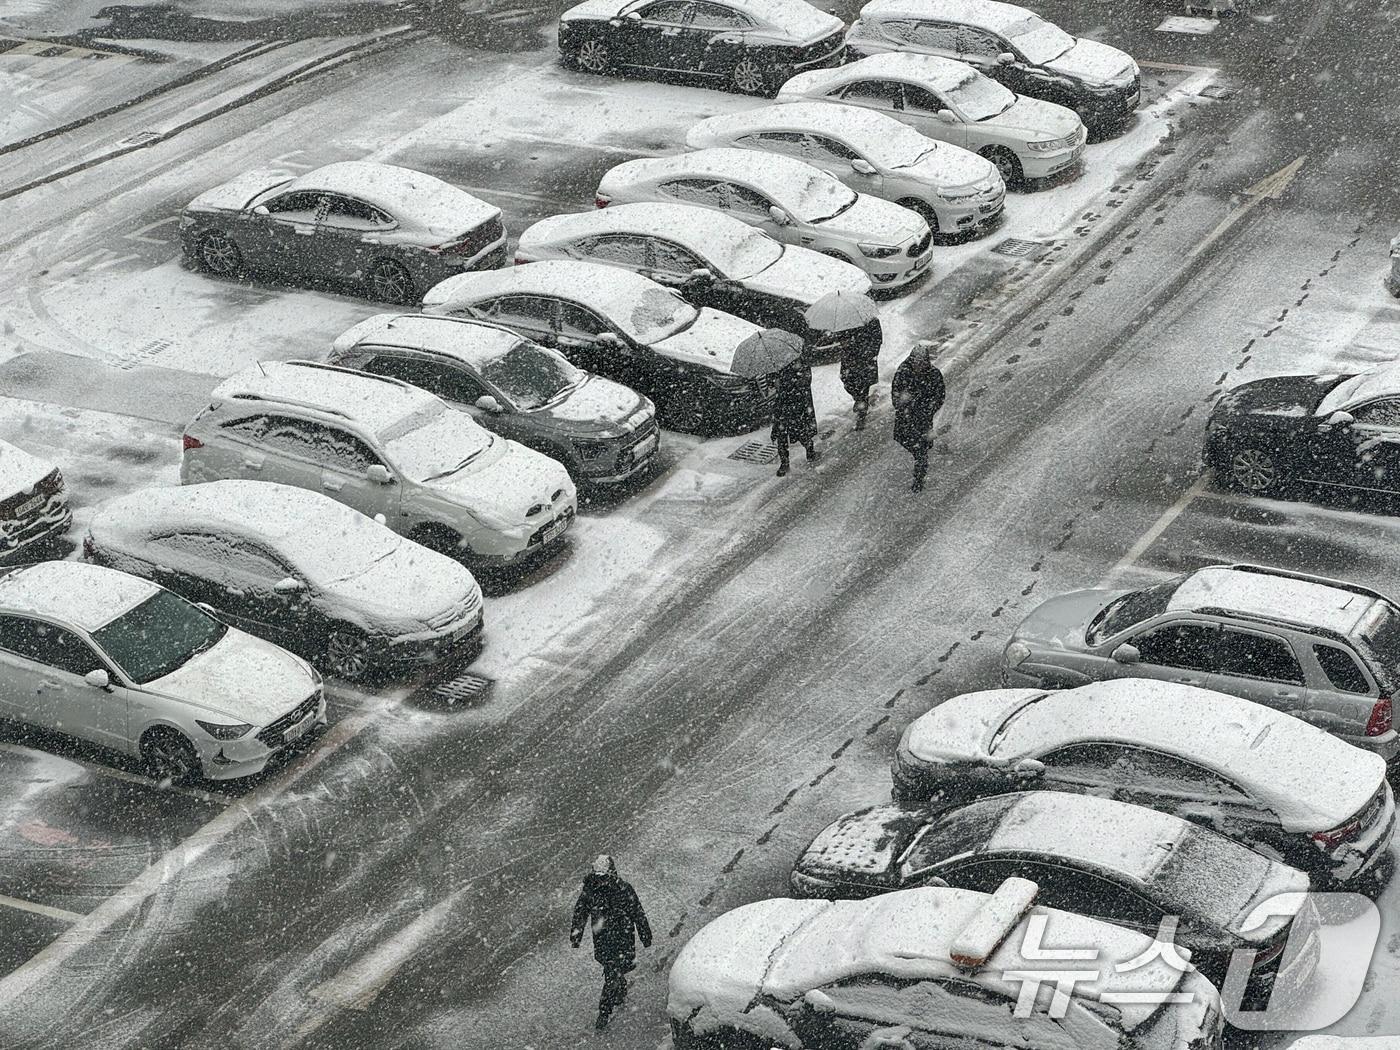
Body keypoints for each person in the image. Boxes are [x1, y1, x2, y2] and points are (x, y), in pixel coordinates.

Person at [570, 855, 652, 1030]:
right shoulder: (622, 888)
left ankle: (617, 991)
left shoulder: (591, 890)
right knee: (613, 972)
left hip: (605, 939)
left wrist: (576, 936)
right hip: (621, 938)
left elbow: (580, 913)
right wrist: (645, 935)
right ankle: (604, 1011)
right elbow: (638, 912)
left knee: (613, 970)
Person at [891, 342, 945, 492]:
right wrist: (904, 407)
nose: (918, 365)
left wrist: (928, 409)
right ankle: (920, 453)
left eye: (921, 362)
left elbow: (939, 396)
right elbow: (895, 395)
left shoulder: (934, 374)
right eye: (916, 362)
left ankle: (919, 475)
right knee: (904, 438)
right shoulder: (902, 373)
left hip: (923, 417)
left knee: (921, 448)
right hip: (905, 417)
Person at [770, 357, 818, 477]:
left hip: (795, 401)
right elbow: (771, 383)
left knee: (797, 429)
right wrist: (775, 382)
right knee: (781, 434)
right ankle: (784, 462)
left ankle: (809, 447)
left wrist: (793, 382)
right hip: (781, 403)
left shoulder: (795, 359)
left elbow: (805, 378)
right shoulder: (774, 362)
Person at [839, 319, 883, 431]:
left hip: (864, 361)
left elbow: (877, 340)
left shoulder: (871, 321)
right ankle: (859, 400)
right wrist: (845, 342)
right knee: (847, 381)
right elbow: (842, 336)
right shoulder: (847, 320)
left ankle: (861, 414)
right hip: (849, 359)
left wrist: (866, 352)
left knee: (863, 386)